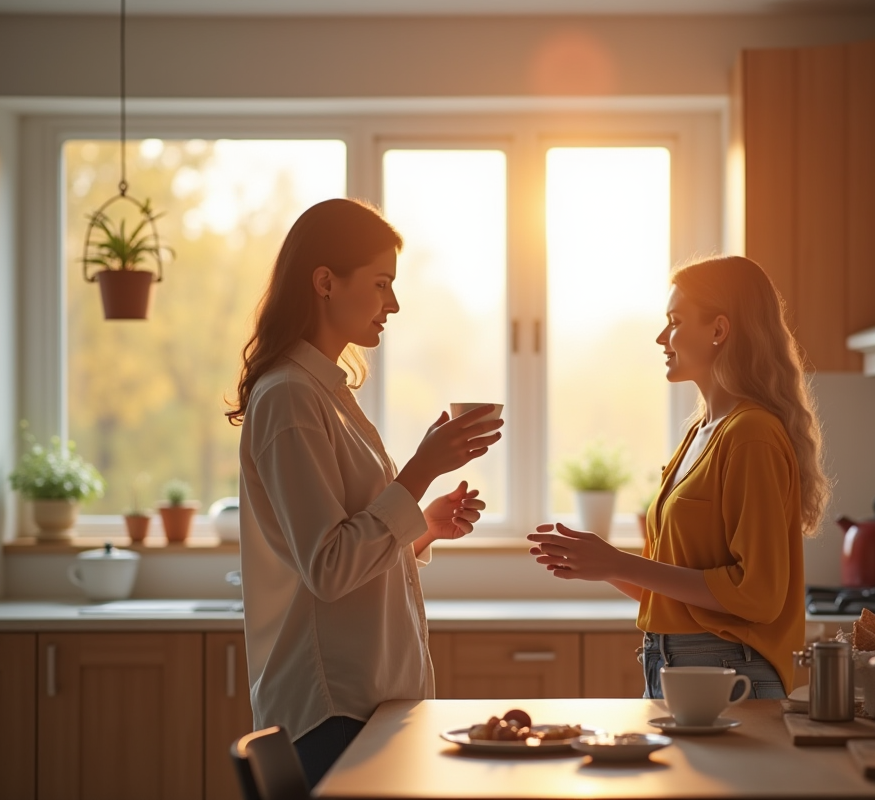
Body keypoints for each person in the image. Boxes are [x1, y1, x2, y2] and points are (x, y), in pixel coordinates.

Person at [226, 198, 503, 785]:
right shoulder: (290, 399)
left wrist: (422, 522)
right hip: (333, 711)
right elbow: (327, 566)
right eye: (381, 284)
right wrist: (419, 471)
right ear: (325, 282)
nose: (393, 303)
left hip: (366, 704)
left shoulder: (327, 393)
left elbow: (349, 543)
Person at [527, 255, 829, 701]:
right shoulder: (700, 432)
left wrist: (616, 562)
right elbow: (678, 589)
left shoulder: (751, 435)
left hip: (727, 670)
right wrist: (603, 566)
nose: (661, 338)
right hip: (677, 664)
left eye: (674, 322)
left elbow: (758, 594)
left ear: (719, 330)